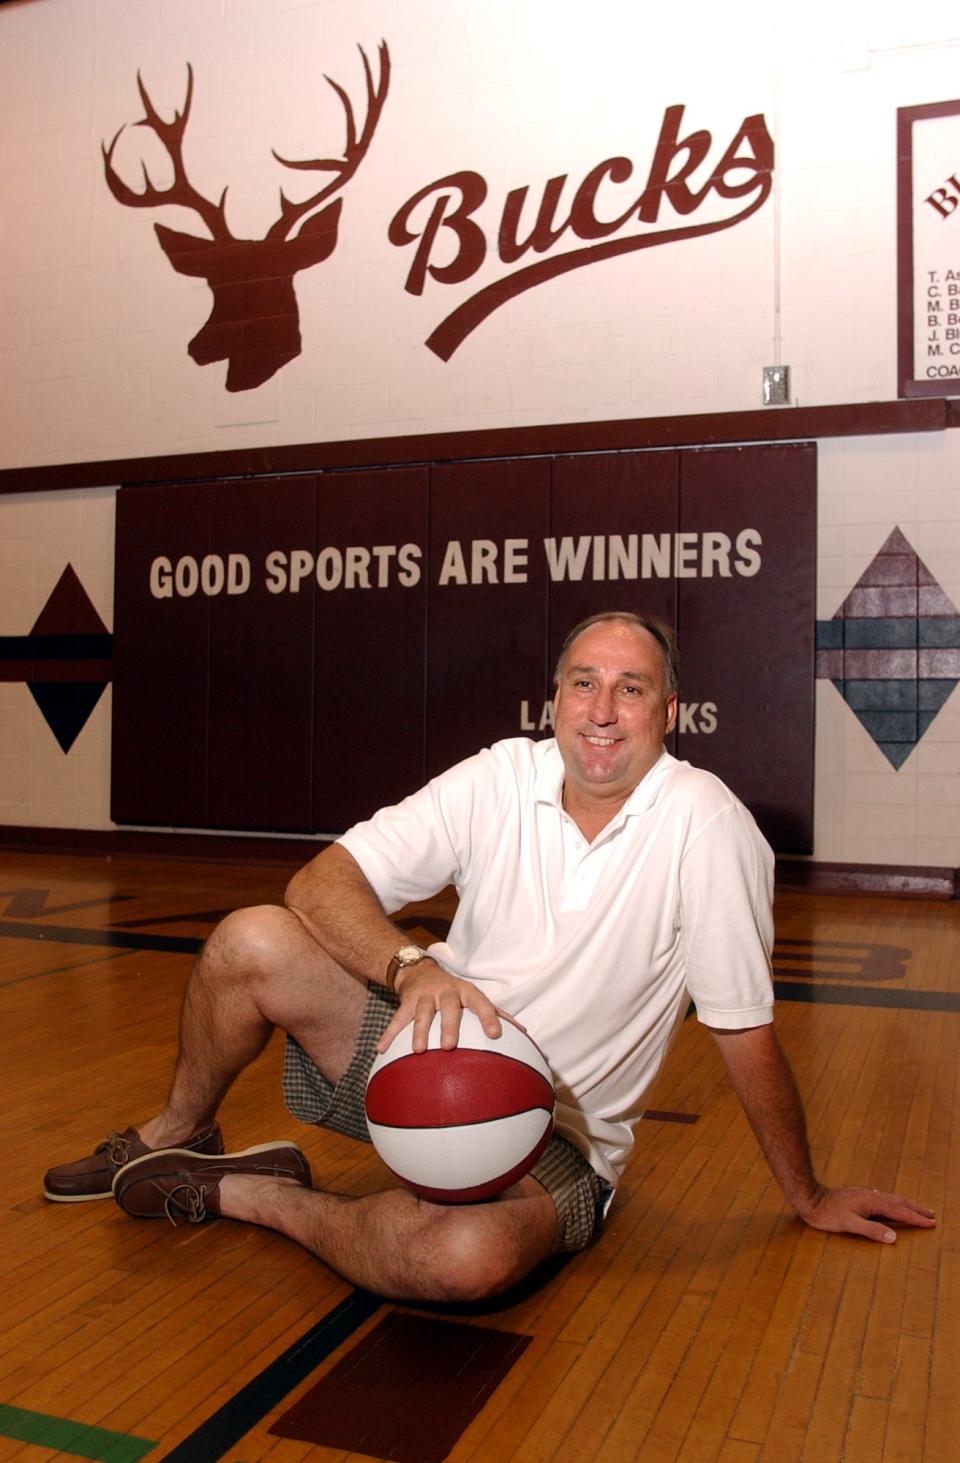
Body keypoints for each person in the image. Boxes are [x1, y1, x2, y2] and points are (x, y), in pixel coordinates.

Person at [43, 611, 935, 1301]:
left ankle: (254, 1194)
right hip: (416, 1056)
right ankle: (181, 1134)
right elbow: (320, 881)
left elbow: (745, 1035)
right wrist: (410, 966)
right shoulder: (500, 775)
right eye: (584, 683)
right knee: (250, 937)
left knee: (463, 1261)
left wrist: (808, 1194)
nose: (602, 710)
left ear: (670, 712)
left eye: (631, 689)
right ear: (555, 697)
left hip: (551, 1135)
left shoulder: (708, 827)